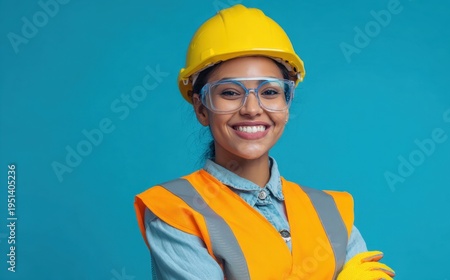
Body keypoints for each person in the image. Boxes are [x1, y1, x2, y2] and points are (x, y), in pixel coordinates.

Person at [134, 4, 395, 280]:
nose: (251, 108)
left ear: (287, 103)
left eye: (269, 91)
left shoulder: (331, 212)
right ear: (201, 109)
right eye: (230, 92)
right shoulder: (176, 210)